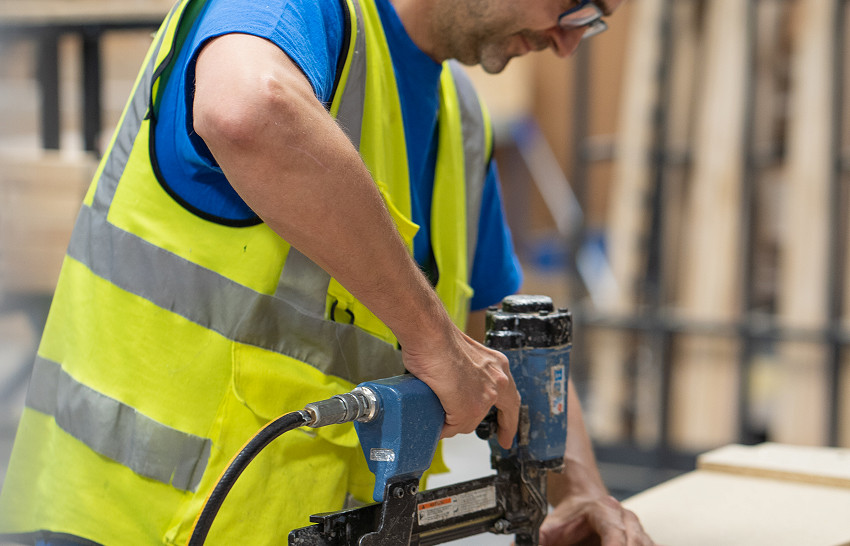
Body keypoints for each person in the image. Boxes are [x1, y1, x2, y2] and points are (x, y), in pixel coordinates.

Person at [0, 0, 653, 544]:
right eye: (575, 4)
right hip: (114, 527)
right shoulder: (296, 12)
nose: (569, 41)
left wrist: (583, 490)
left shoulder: (463, 121)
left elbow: (512, 333)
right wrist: (435, 338)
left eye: (593, 21)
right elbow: (247, 110)